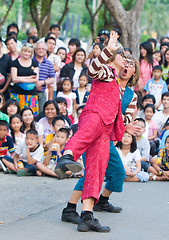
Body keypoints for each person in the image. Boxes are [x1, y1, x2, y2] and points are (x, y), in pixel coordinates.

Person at [55, 32, 137, 232]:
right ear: (112, 59)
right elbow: (92, 69)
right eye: (121, 56)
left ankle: (87, 216)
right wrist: (109, 47)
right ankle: (67, 157)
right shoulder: (108, 71)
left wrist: (127, 125)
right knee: (81, 138)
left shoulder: (125, 91)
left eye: (128, 61)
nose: (125, 61)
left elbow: (123, 117)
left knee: (96, 172)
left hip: (106, 130)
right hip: (94, 115)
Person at [10, 43, 39, 116]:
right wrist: (29, 78)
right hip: (17, 92)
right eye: (25, 51)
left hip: (31, 93)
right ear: (21, 51)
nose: (26, 53)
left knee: (31, 115)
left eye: (29, 52)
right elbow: (14, 79)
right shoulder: (15, 63)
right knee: (17, 114)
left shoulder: (34, 63)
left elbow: (35, 78)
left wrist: (20, 78)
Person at [34, 41, 55, 113]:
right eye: (39, 48)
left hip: (42, 92)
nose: (40, 50)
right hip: (30, 91)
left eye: (43, 49)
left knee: (41, 113)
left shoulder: (49, 63)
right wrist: (35, 84)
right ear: (35, 50)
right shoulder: (30, 61)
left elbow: (52, 79)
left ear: (46, 51)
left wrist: (43, 83)